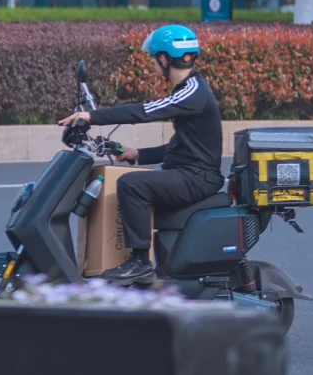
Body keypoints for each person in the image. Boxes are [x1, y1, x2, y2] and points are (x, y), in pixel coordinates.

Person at [58, 23, 223, 288]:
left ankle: (139, 263)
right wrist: (137, 154)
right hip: (188, 172)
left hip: (197, 177)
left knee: (131, 186)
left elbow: (144, 111)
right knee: (135, 181)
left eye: (154, 59)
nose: (154, 64)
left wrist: (92, 116)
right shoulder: (190, 90)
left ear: (164, 58)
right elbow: (182, 145)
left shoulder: (192, 92)